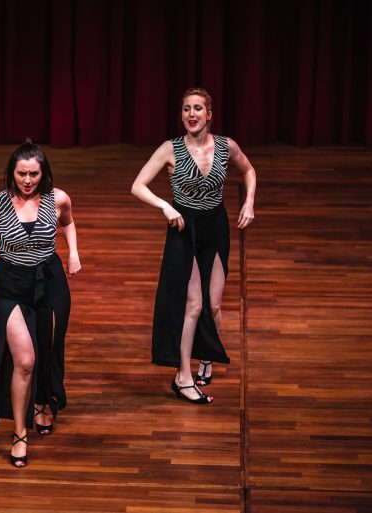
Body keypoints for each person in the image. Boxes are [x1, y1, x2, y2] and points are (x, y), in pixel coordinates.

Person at [131, 87, 256, 404]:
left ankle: (205, 356)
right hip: (183, 227)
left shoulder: (226, 146)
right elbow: (137, 185)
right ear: (181, 115)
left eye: (198, 108)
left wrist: (249, 202)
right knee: (193, 305)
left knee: (212, 305)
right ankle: (182, 377)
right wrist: (165, 206)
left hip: (215, 227)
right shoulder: (170, 149)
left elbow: (249, 171)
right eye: (186, 109)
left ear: (209, 114)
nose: (191, 114)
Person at [0, 140, 81, 468]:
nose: (27, 180)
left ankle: (42, 402)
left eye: (34, 174)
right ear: (12, 173)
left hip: (50, 280)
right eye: (21, 173)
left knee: (48, 350)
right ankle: (19, 433)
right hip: (12, 286)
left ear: (43, 173)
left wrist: (74, 252)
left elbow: (68, 223)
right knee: (25, 359)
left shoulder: (57, 198)